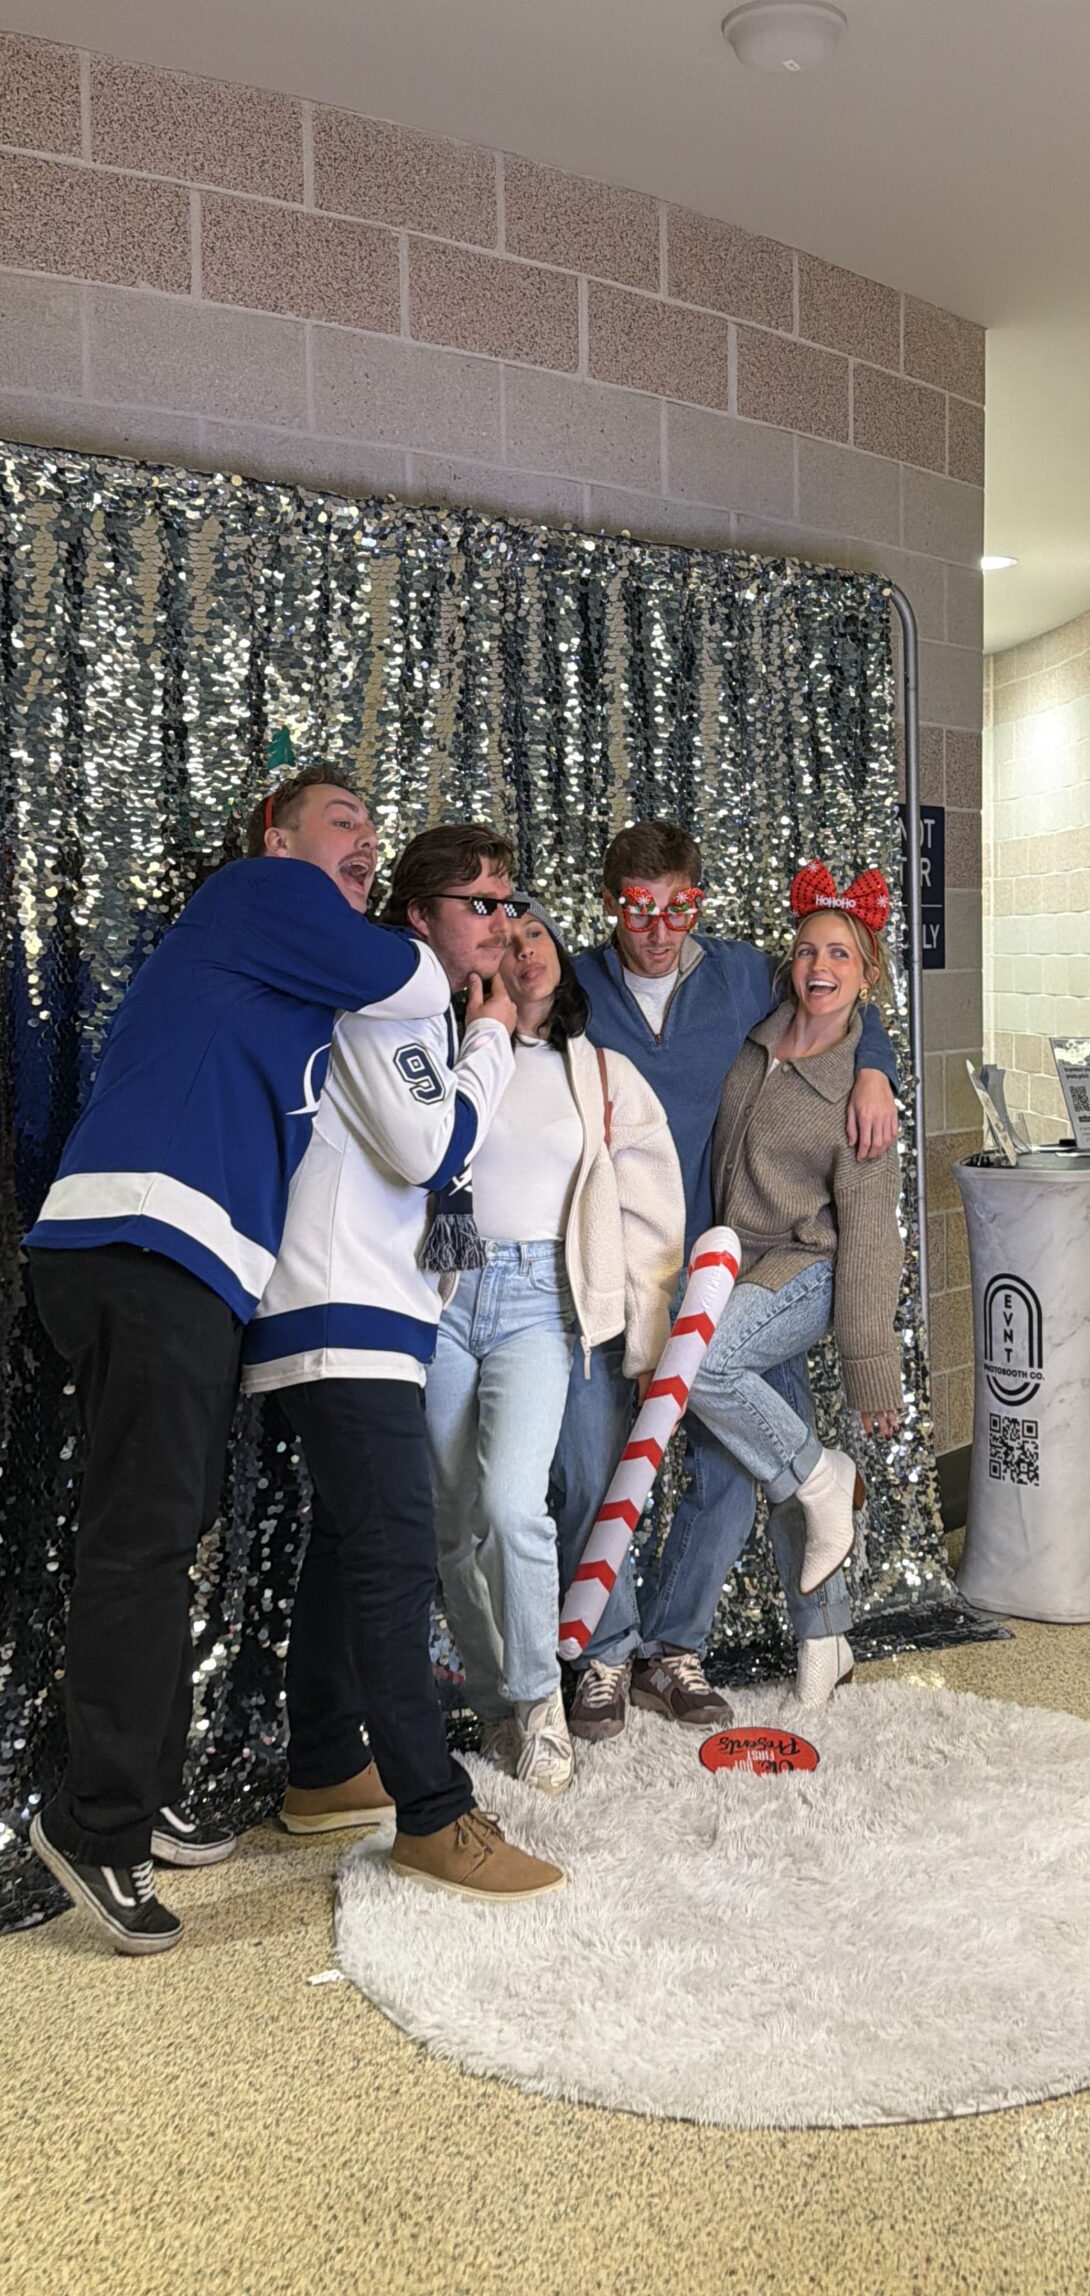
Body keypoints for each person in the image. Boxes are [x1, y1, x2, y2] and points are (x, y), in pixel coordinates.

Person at [23, 767, 456, 1956]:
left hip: (185, 1255)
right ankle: (94, 1822)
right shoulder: (262, 890)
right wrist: (447, 971)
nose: (364, 843)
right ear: (276, 835)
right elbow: (409, 974)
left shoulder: (280, 953)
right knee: (143, 1534)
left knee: (168, 1524)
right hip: (144, 1232)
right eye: (342, 824)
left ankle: (142, 1789)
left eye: (373, 827)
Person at [240, 821, 563, 1905]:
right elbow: (432, 1149)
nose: (501, 924)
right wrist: (493, 1041)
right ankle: (433, 1813)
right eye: (478, 903)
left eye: (509, 903)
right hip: (341, 1311)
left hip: (355, 1313)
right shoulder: (396, 996)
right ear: (417, 919)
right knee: (394, 1553)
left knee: (348, 1543)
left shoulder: (415, 1004)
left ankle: (326, 1766)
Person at [552, 819, 901, 1743]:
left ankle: (675, 1646)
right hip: (604, 1262)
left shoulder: (747, 973)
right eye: (639, 909)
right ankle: (605, 1656)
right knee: (591, 1460)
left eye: (679, 908)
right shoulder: (576, 986)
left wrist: (878, 1071)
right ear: (610, 906)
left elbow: (846, 1007)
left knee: (728, 1469)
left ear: (697, 904)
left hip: (724, 1264)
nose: (660, 929)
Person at [423, 888, 684, 1795]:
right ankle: (496, 1699)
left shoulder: (598, 1072)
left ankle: (541, 1704)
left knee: (510, 1506)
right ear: (483, 956)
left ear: (562, 960)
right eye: (507, 934)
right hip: (445, 1289)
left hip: (541, 1301)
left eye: (540, 933)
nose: (525, 946)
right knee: (453, 1520)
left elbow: (651, 1204)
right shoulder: (448, 1050)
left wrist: (645, 1322)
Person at [682, 863, 905, 1694]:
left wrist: (869, 1357)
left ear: (867, 973)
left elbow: (874, 1233)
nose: (820, 967)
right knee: (773, 1439)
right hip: (735, 1266)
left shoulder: (863, 1089)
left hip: (810, 1266)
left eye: (840, 956)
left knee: (707, 1368)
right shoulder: (757, 1029)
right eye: (809, 950)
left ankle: (826, 1479)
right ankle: (826, 1643)